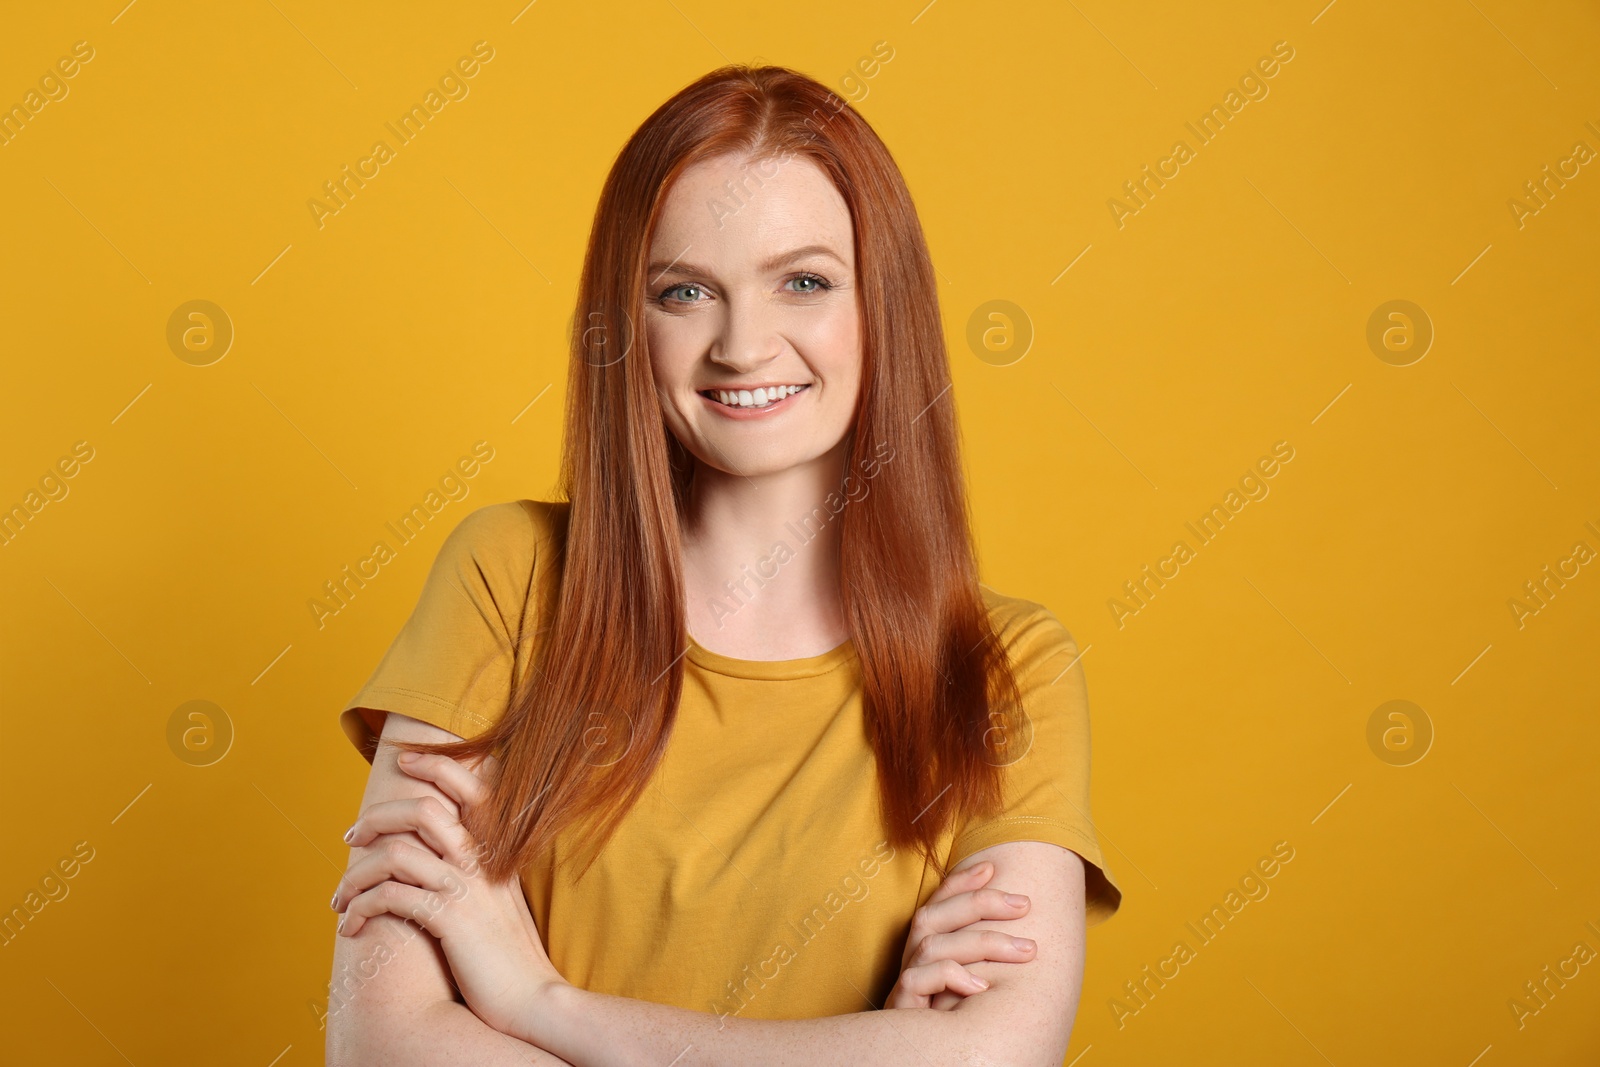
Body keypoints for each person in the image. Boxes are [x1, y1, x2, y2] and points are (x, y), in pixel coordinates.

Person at [325, 62, 1122, 1066]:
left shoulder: (1004, 668)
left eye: (803, 280)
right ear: (628, 323)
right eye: (686, 291)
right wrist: (872, 1046)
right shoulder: (508, 577)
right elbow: (385, 1043)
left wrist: (536, 1000)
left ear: (884, 305)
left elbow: (988, 1057)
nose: (743, 345)